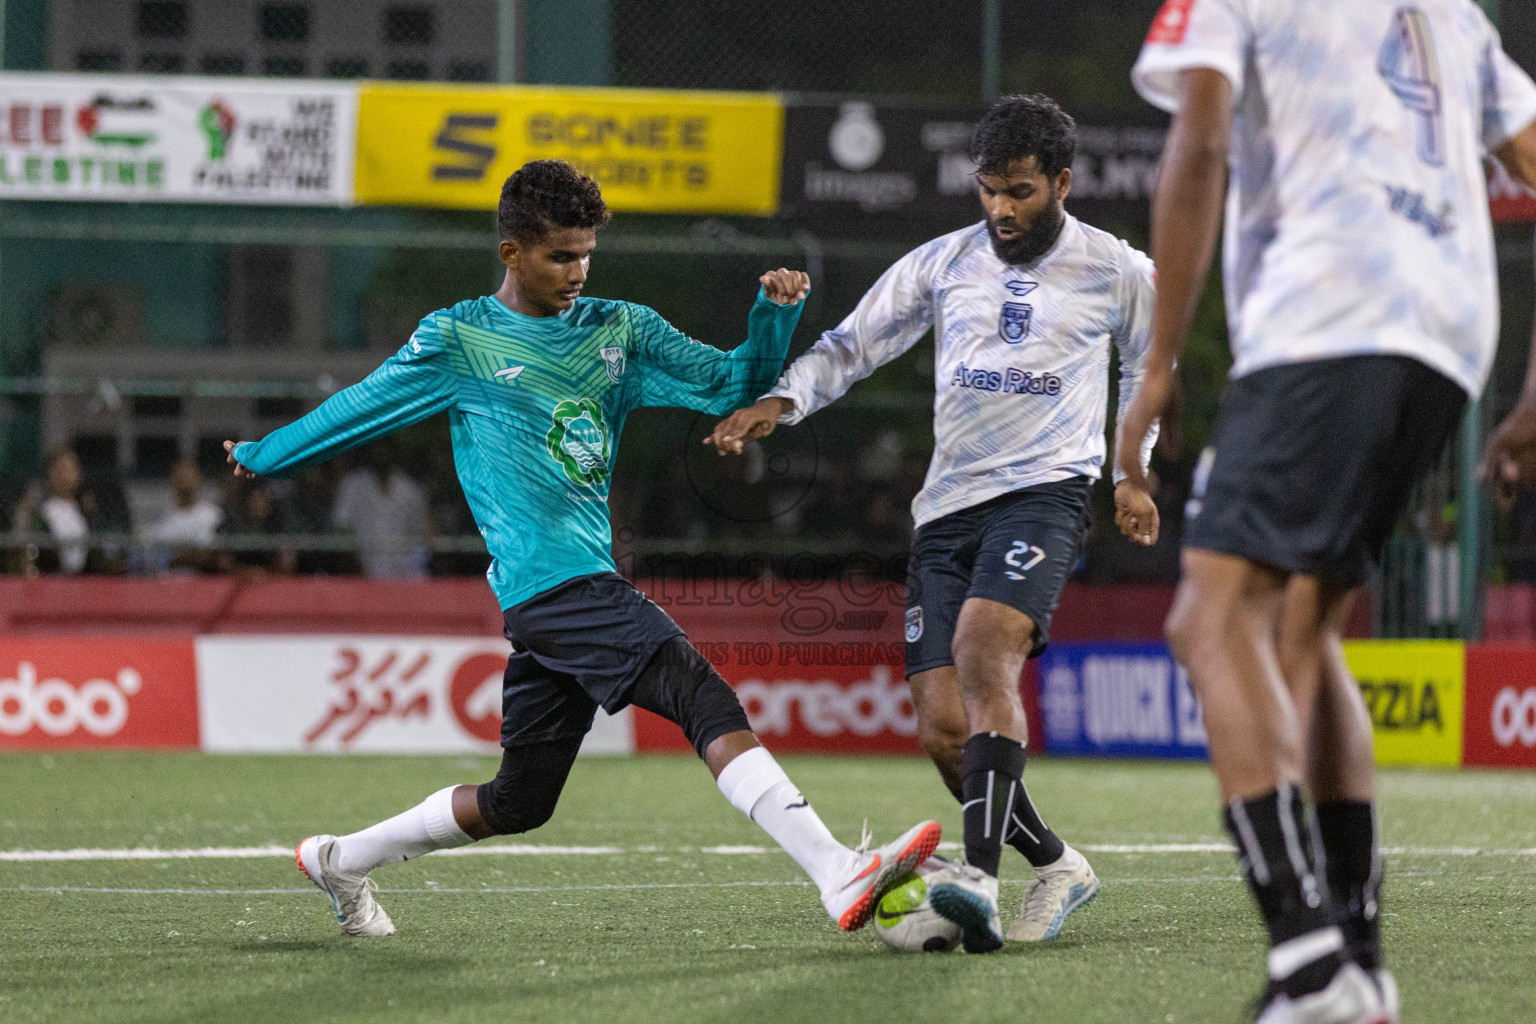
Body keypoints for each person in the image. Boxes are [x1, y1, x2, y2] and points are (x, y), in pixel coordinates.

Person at [223, 159, 940, 938]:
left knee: (517, 803)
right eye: (560, 255)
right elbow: (361, 407)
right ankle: (836, 870)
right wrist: (268, 453)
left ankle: (341, 857)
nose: (578, 270)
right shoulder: (460, 337)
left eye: (586, 253)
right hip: (549, 586)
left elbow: (731, 385)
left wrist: (769, 320)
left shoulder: (619, 328)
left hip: (574, 586)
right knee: (700, 693)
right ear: (512, 253)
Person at [1118, 3, 1536, 1021]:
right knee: (1307, 623)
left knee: (1210, 619)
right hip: (1448, 342)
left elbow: (1201, 139)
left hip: (1326, 314)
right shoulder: (1457, 16)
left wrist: (1159, 363)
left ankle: (1310, 968)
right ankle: (1359, 960)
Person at [708, 94, 1160, 952]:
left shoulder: (1118, 270)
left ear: (1061, 182)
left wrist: (1133, 474)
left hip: (1045, 493)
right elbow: (855, 342)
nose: (1002, 210)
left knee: (987, 655)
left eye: (1021, 192)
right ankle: (1058, 865)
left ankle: (977, 882)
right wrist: (783, 398)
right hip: (947, 509)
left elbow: (1149, 369)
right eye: (989, 190)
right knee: (944, 731)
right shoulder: (946, 261)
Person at [331, 444, 431, 579]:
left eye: (385, 448)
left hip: (406, 573)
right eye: (377, 447)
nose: (381, 453)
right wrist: (354, 567)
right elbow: (341, 527)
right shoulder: (353, 485)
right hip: (364, 570)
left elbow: (424, 533)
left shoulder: (409, 488)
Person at [147, 459, 223, 573]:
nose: (185, 481)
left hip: (203, 581)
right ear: (172, 480)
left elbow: (206, 555)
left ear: (199, 479)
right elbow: (153, 558)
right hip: (167, 583)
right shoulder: (162, 518)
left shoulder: (212, 514)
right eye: (181, 477)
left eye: (190, 476)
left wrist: (173, 559)